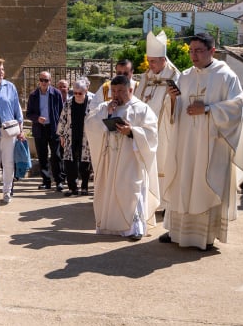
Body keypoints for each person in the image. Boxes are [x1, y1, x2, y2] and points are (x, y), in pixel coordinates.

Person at [159, 32, 243, 250]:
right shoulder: (185, 76)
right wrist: (172, 99)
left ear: (212, 51)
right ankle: (176, 231)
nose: (193, 55)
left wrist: (207, 109)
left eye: (198, 50)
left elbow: (237, 108)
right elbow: (175, 112)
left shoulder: (226, 76)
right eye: (191, 50)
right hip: (186, 143)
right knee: (183, 181)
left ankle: (204, 236)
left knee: (204, 185)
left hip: (211, 145)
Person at [85, 75, 159, 241]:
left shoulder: (142, 109)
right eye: (114, 91)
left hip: (131, 158)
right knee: (109, 190)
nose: (116, 95)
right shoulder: (105, 107)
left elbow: (152, 133)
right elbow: (90, 125)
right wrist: (106, 114)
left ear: (130, 90)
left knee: (131, 191)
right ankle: (110, 227)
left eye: (121, 91)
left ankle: (135, 228)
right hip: (110, 158)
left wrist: (132, 131)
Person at [136, 29, 181, 212]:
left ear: (164, 60)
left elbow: (179, 105)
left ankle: (164, 204)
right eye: (148, 60)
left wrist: (173, 99)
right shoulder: (146, 77)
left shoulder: (175, 76)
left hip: (164, 132)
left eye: (153, 61)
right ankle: (146, 200)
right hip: (145, 132)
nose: (150, 64)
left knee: (162, 164)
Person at [0, 57, 23, 203]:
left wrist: (20, 128)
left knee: (8, 163)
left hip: (9, 131)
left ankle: (7, 192)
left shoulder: (10, 86)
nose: (1, 72)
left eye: (2, 69)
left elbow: (16, 107)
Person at [25, 70, 64, 191]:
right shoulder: (33, 95)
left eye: (46, 80)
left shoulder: (56, 94)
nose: (43, 82)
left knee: (56, 156)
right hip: (39, 128)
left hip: (53, 128)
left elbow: (62, 112)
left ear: (50, 81)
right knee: (42, 156)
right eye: (41, 80)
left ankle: (58, 181)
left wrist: (61, 129)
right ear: (39, 81)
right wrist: (37, 119)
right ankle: (46, 181)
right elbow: (29, 114)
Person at [58, 76, 96, 196]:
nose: (77, 95)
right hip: (71, 136)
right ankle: (72, 188)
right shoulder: (69, 102)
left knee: (85, 162)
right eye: (75, 93)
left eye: (80, 93)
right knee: (69, 162)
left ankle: (84, 187)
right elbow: (62, 119)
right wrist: (61, 136)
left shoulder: (92, 102)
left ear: (85, 91)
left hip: (86, 136)